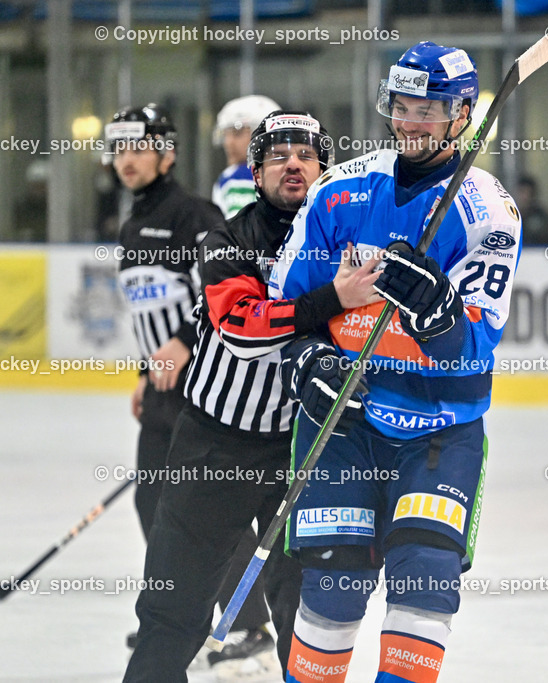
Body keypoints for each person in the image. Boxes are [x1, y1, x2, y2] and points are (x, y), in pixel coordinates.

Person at [268, 41, 521, 683]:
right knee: (333, 586)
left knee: (425, 583)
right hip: (344, 428)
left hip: (439, 427)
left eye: (428, 109)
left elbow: (474, 347)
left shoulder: (489, 212)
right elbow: (288, 304)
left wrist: (438, 316)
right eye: (402, 105)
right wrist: (307, 361)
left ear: (462, 115)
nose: (410, 121)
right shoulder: (340, 191)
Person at [123, 110, 382, 682]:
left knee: (308, 619)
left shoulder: (352, 242)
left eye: (307, 155)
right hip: (216, 448)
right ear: (256, 172)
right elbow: (242, 329)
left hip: (303, 450)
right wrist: (332, 299)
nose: (293, 164)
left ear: (325, 169)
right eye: (277, 156)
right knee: (174, 613)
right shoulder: (227, 238)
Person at [107, 104, 271, 669]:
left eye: (139, 146)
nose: (126, 159)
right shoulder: (132, 222)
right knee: (154, 499)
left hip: (202, 380)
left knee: (206, 508)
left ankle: (248, 625)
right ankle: (177, 620)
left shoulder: (192, 213)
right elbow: (147, 306)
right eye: (119, 148)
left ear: (167, 153)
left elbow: (220, 290)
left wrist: (180, 340)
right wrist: (143, 371)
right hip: (161, 383)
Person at [212, 94, 281, 218]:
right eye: (226, 135)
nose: (228, 142)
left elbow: (238, 232)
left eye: (237, 133)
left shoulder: (238, 176)